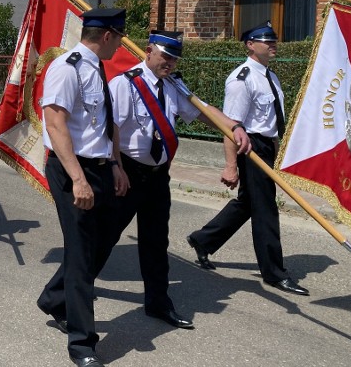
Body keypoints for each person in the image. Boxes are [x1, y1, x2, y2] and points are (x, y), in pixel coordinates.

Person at [95, 30, 251, 330]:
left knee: (156, 243)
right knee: (103, 238)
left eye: (175, 59)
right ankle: (62, 296)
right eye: (165, 56)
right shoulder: (125, 85)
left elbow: (203, 112)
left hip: (157, 177)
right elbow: (111, 128)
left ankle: (158, 302)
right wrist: (115, 166)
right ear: (148, 51)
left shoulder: (173, 86)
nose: (170, 63)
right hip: (128, 172)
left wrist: (233, 126)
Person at [35, 8, 129, 367]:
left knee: (105, 241)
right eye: (120, 37)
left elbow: (104, 124)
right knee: (81, 250)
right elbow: (55, 124)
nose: (121, 43)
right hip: (72, 170)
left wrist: (117, 164)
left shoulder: (96, 68)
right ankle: (82, 345)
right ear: (107, 34)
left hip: (101, 167)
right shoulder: (67, 67)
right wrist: (77, 179)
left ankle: (54, 298)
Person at [187, 21, 309, 296]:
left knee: (248, 203)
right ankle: (274, 274)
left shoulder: (270, 76)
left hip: (266, 146)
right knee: (265, 210)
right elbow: (231, 127)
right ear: (250, 45)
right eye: (267, 41)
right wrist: (231, 166)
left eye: (274, 41)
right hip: (250, 148)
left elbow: (271, 121)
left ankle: (203, 240)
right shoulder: (241, 79)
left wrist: (277, 149)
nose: (273, 44)